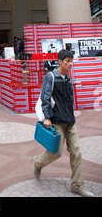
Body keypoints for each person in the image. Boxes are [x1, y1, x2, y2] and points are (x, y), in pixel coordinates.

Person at [33, 49, 94, 197]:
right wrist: (47, 117)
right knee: (56, 152)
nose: (70, 64)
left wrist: (72, 116)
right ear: (60, 61)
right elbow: (45, 98)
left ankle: (77, 186)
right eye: (67, 61)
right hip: (57, 121)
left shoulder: (68, 78)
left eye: (71, 61)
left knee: (77, 152)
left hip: (70, 121)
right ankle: (38, 163)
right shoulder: (51, 77)